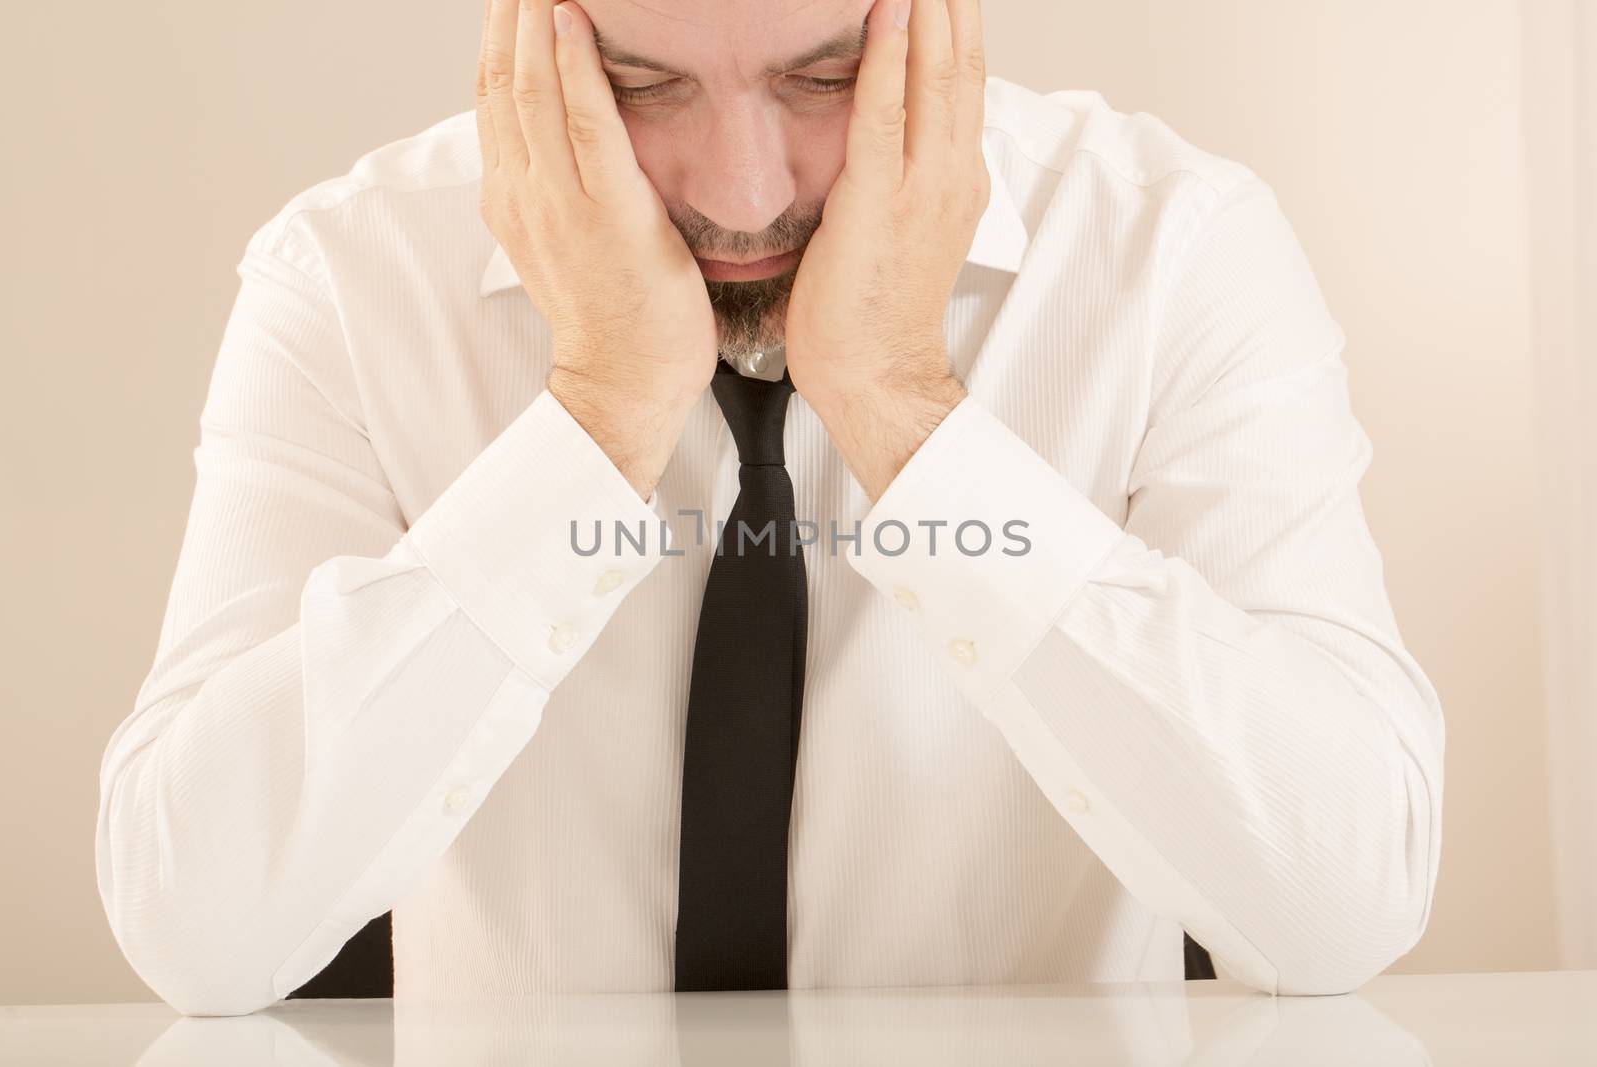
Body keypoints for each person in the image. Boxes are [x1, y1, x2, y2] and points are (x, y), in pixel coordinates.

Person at [95, 0, 1444, 1016]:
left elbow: (1338, 906)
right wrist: (600, 415)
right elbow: (198, 933)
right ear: (530, 47)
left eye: (825, 78)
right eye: (641, 85)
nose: (742, 197)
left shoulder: (1170, 249)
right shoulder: (351, 275)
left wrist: (906, 408)